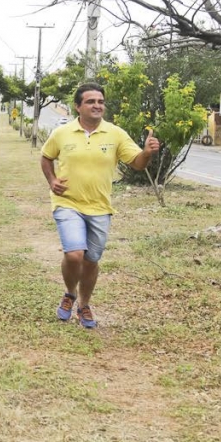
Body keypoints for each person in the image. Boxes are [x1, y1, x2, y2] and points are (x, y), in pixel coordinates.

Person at [40, 83, 160, 329]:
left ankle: (83, 304)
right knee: (74, 255)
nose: (97, 105)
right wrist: (52, 180)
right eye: (91, 101)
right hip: (67, 203)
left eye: (100, 101)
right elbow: (46, 157)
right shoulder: (62, 133)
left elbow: (137, 164)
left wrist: (147, 153)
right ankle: (69, 293)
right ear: (78, 106)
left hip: (100, 207)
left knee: (91, 261)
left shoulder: (115, 134)